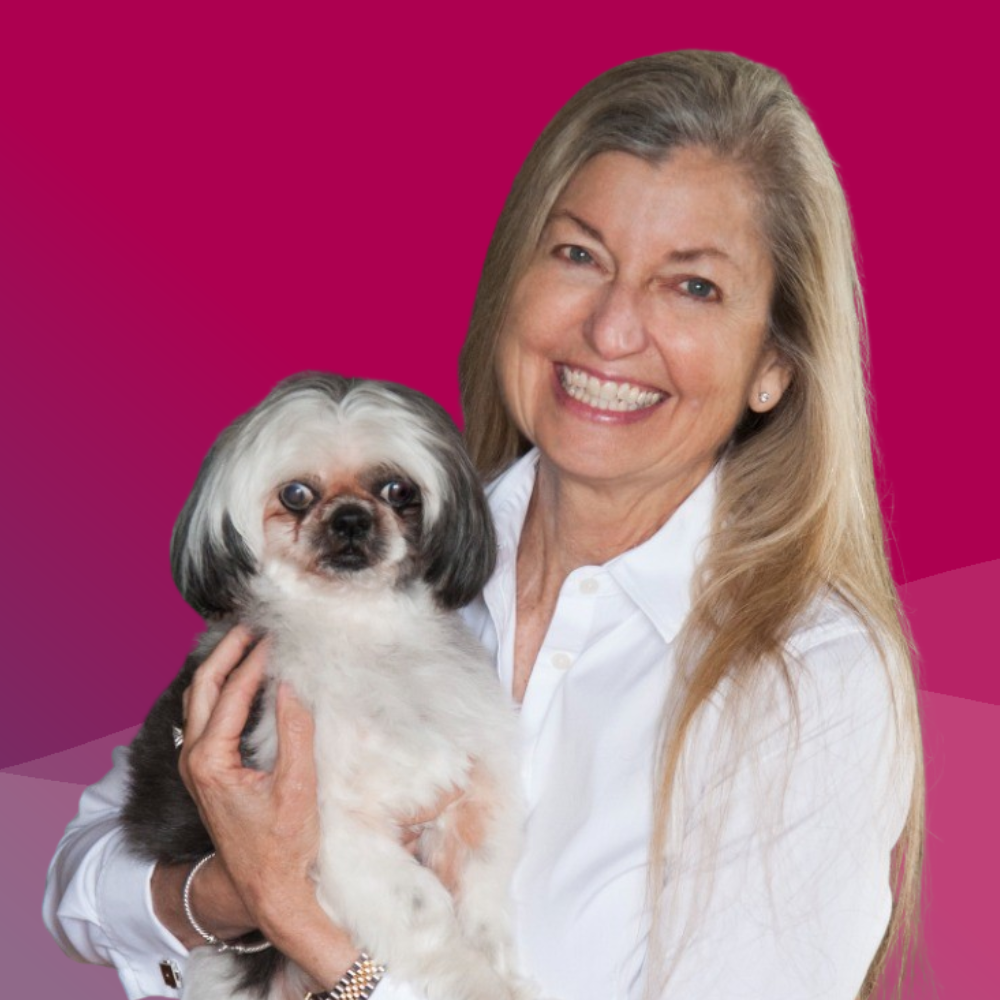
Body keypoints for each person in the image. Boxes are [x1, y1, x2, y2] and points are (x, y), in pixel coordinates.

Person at [44, 50, 924, 1000]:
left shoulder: (808, 679)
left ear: (775, 367)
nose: (614, 329)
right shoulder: (372, 578)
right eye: (579, 255)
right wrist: (224, 891)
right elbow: (79, 890)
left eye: (693, 286)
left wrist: (306, 922)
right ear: (513, 280)